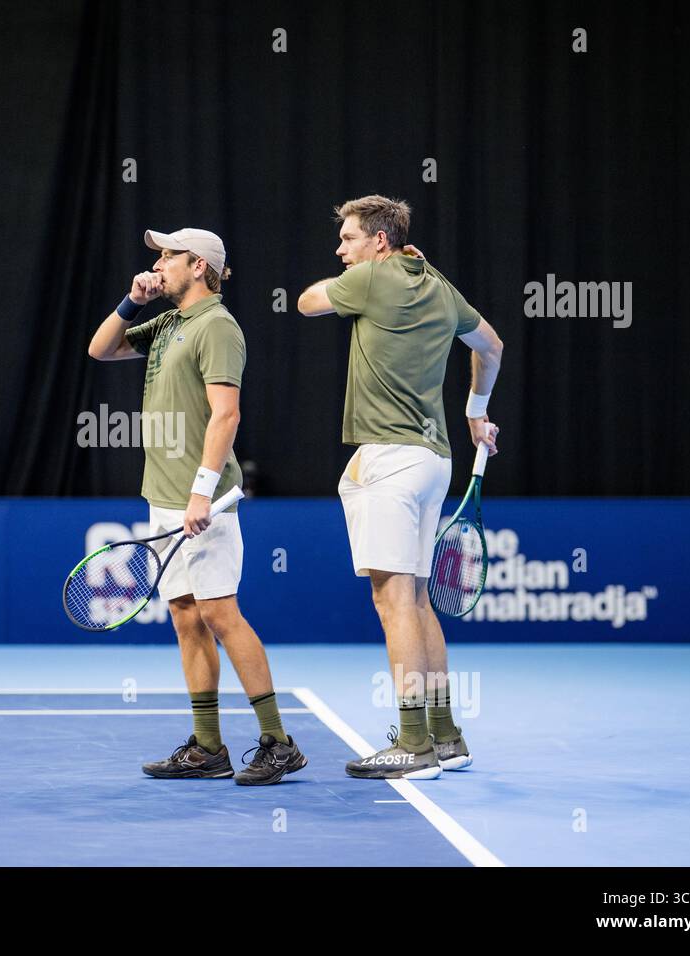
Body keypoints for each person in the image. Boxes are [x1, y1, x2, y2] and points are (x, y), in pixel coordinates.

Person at [87, 227, 306, 785]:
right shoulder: (167, 322)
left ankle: (279, 742)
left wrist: (202, 491)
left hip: (203, 499)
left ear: (199, 266)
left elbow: (226, 415)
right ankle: (208, 747)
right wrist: (133, 299)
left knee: (220, 614)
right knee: (186, 617)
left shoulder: (218, 327)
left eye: (168, 257)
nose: (158, 265)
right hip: (163, 497)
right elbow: (100, 348)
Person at [297, 195, 504, 779]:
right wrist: (474, 413)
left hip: (389, 463)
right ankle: (446, 735)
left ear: (379, 242)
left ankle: (412, 744)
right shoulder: (438, 284)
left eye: (348, 239)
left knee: (394, 604)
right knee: (415, 601)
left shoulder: (369, 279)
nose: (340, 249)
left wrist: (359, 277)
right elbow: (491, 346)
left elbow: (307, 303)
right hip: (434, 459)